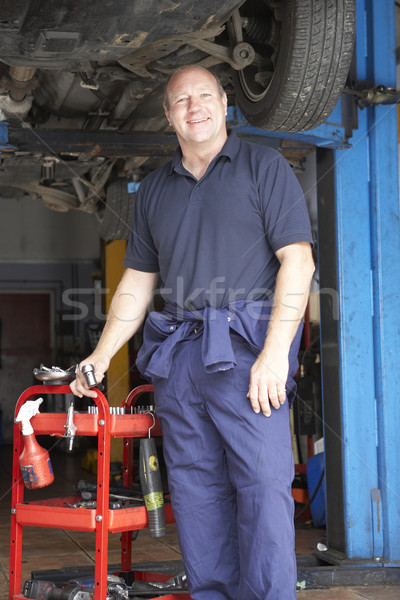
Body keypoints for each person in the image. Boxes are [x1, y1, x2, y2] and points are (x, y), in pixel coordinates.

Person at [71, 65, 315, 600]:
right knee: (197, 491)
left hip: (248, 356)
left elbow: (297, 261)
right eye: (181, 100)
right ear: (168, 114)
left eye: (205, 95)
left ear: (225, 104)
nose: (194, 106)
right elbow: (137, 283)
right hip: (180, 358)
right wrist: (100, 354)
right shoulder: (154, 189)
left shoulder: (263, 167)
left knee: (263, 486)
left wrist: (276, 355)